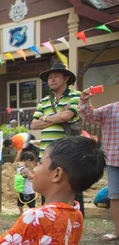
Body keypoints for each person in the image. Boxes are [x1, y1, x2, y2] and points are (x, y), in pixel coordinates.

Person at [31, 62, 84, 215]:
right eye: (50, 78)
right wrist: (57, 117)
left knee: (71, 187)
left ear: (65, 78)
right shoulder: (44, 101)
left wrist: (46, 118)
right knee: (47, 187)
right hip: (46, 152)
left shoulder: (76, 95)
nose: (52, 80)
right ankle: (47, 220)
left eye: (56, 77)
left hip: (69, 152)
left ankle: (74, 222)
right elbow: (34, 124)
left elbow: (67, 116)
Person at [79, 91, 119, 241]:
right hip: (114, 159)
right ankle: (117, 231)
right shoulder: (111, 109)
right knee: (115, 197)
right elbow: (89, 115)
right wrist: (84, 100)